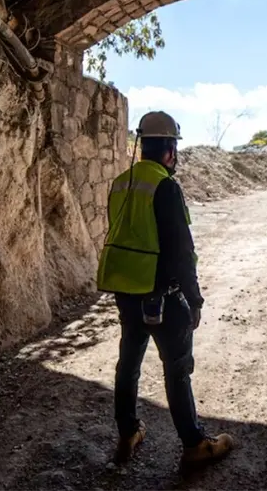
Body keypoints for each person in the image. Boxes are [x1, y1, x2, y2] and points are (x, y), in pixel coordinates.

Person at [96, 111, 234, 466]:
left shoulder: (120, 184)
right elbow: (180, 251)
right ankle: (194, 444)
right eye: (174, 147)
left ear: (142, 145)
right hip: (161, 297)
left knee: (128, 363)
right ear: (170, 149)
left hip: (126, 293)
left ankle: (128, 433)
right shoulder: (166, 186)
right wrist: (194, 298)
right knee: (177, 368)